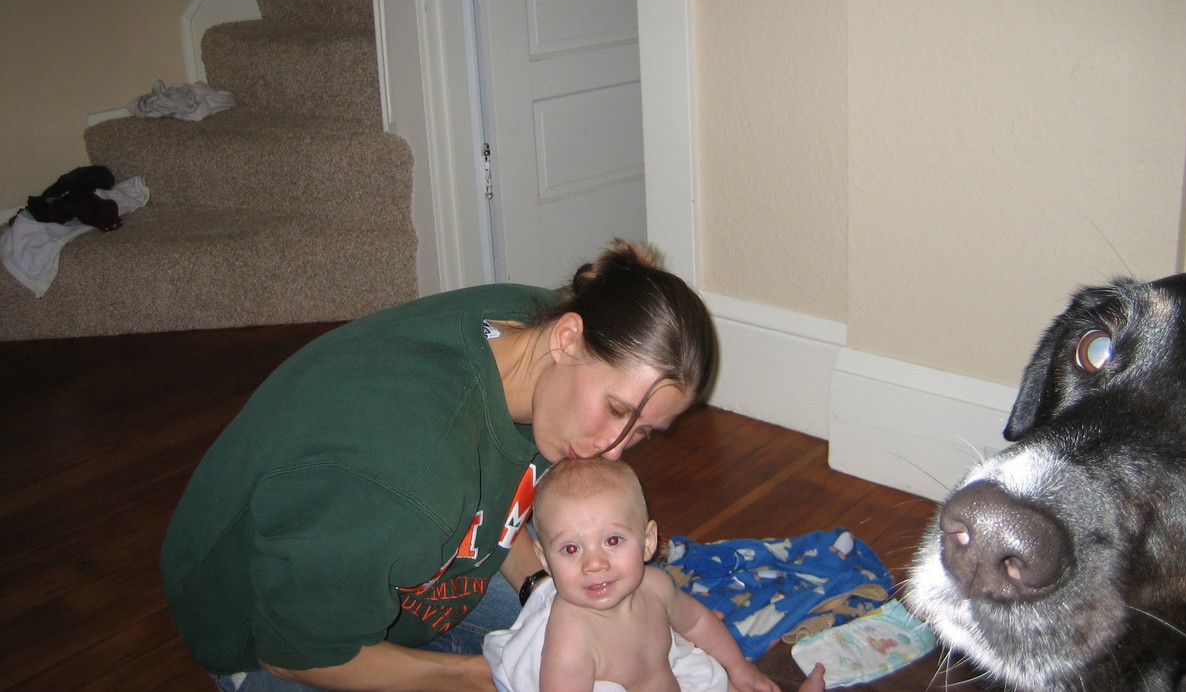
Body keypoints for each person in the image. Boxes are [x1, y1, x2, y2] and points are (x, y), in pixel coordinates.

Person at [160, 239, 717, 692]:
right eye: (617, 409)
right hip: (264, 629)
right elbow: (297, 651)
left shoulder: (535, 328)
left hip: (409, 543)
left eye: (641, 430)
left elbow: (502, 493)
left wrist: (550, 593)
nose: (614, 448)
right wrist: (486, 677)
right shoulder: (407, 470)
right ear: (569, 339)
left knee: (620, 626)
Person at [528, 458, 826, 692]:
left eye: (613, 541)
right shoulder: (570, 639)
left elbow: (697, 622)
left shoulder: (655, 587)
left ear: (648, 542)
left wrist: (737, 667)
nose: (593, 563)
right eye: (570, 549)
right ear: (544, 559)